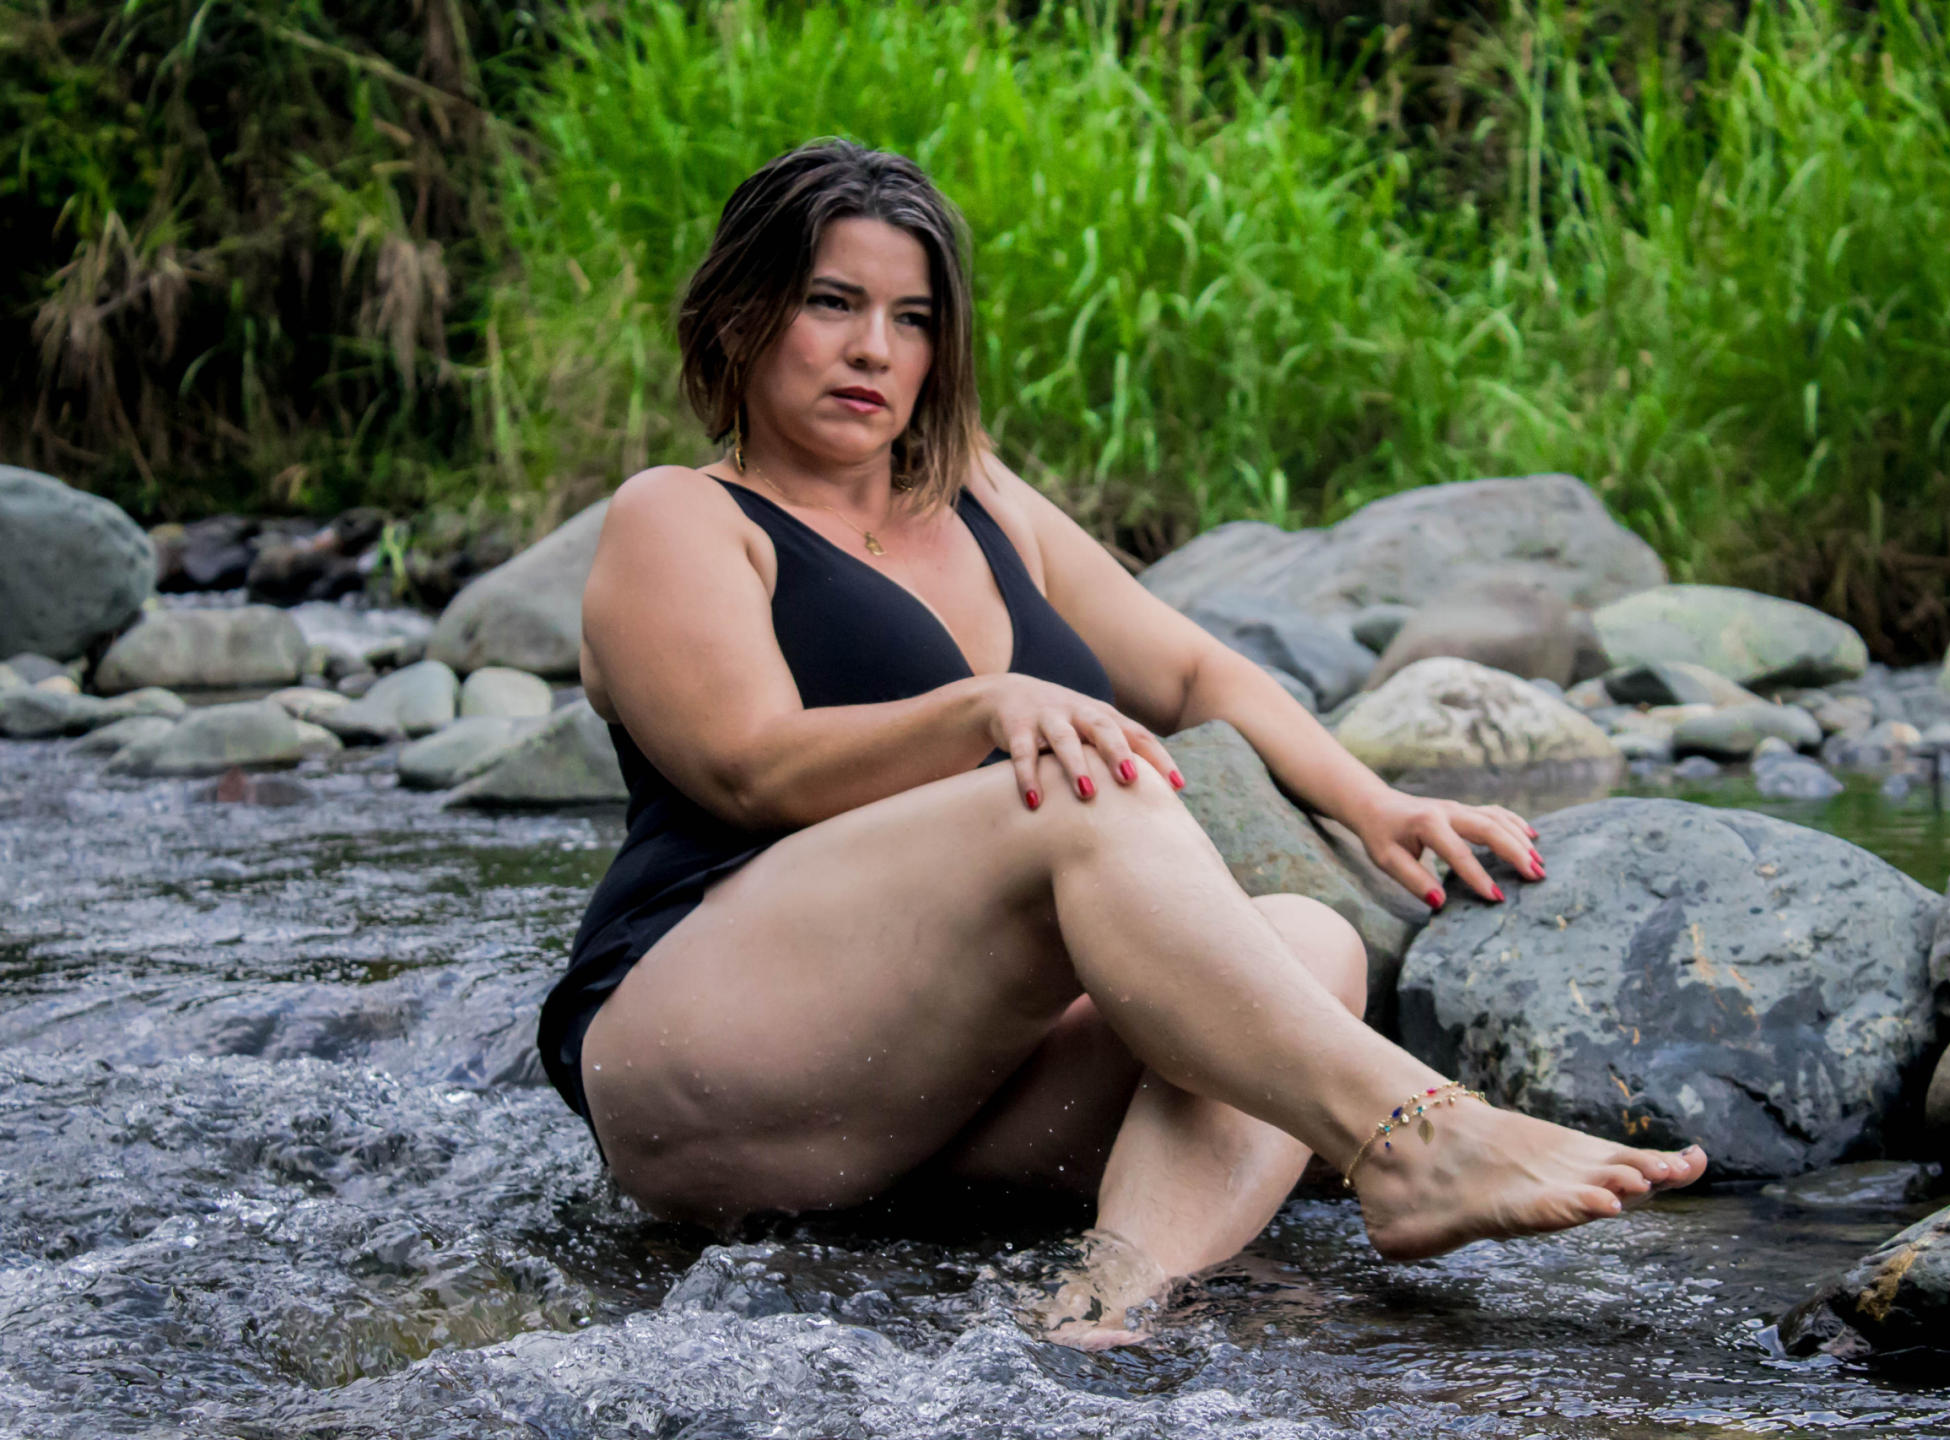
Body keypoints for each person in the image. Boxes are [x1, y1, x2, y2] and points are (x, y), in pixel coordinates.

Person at [536, 138, 1707, 1349]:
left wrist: (1377, 806)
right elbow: (750, 764)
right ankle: (1413, 1138)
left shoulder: (984, 498)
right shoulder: (680, 515)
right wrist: (986, 707)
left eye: (912, 317)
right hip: (713, 1050)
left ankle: (1105, 1302)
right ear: (740, 315)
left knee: (1310, 940)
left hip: (941, 1099)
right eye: (832, 303)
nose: (875, 349)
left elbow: (1192, 671)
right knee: (1081, 787)